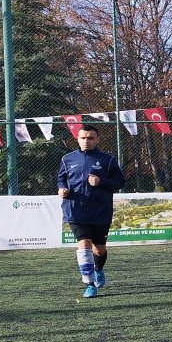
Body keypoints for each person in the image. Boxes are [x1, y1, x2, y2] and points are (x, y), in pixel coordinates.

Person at [57, 123, 126, 298]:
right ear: (77, 139)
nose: (86, 141)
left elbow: (120, 182)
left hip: (100, 212)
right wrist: (62, 189)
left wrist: (101, 181)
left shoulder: (108, 160)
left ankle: (99, 269)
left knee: (99, 250)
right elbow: (61, 179)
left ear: (97, 140)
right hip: (75, 210)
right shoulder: (67, 159)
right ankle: (89, 284)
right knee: (84, 244)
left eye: (90, 138)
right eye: (83, 138)